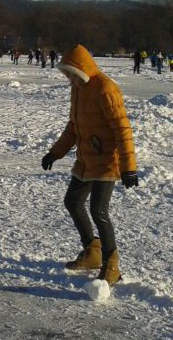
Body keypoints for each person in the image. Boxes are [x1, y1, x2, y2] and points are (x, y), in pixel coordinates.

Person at [40, 44, 138, 287]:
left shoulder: (105, 89)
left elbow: (122, 129)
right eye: (66, 75)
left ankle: (111, 264)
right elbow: (74, 127)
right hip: (85, 160)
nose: (69, 79)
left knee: (98, 210)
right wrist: (55, 153)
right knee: (72, 201)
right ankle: (92, 251)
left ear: (81, 69)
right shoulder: (78, 89)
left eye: (71, 74)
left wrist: (129, 167)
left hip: (106, 161)